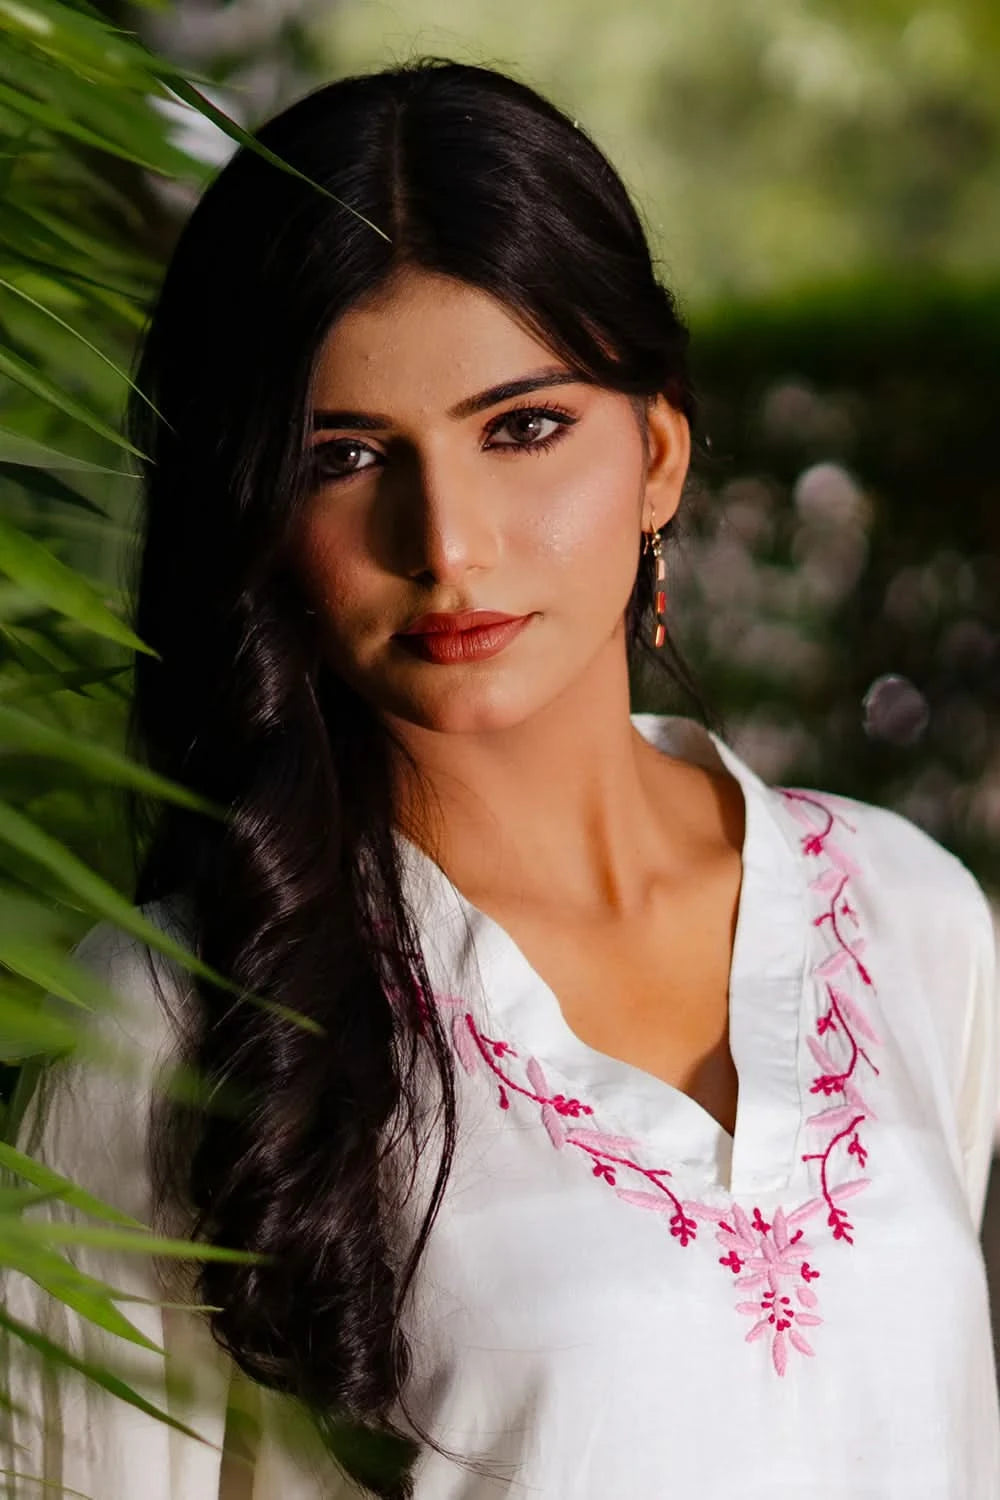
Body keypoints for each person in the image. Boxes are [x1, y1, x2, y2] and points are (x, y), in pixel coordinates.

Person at [1, 53, 998, 1500]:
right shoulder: (174, 1031)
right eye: (343, 456)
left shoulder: (915, 922)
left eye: (522, 428)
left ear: (657, 452)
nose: (448, 542)